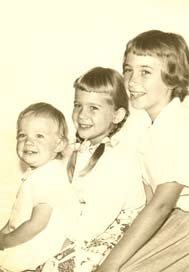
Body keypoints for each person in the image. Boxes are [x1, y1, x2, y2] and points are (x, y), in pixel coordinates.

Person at [95, 30, 189, 272]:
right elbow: (149, 199)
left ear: (173, 79)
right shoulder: (143, 125)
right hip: (172, 220)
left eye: (145, 72)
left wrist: (110, 265)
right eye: (128, 69)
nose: (131, 81)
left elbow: (162, 204)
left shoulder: (184, 127)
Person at [44, 67, 146, 272]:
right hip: (84, 222)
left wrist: (60, 240)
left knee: (58, 264)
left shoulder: (118, 159)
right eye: (78, 105)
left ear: (117, 115)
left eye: (93, 108)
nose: (82, 114)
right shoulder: (81, 148)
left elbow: (95, 222)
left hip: (109, 232)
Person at [0, 102, 80, 272]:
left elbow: (38, 223)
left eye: (39, 136)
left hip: (36, 250)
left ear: (58, 145)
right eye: (22, 135)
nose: (28, 142)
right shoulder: (38, 173)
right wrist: (4, 231)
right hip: (27, 244)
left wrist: (5, 241)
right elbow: (18, 214)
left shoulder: (49, 175)